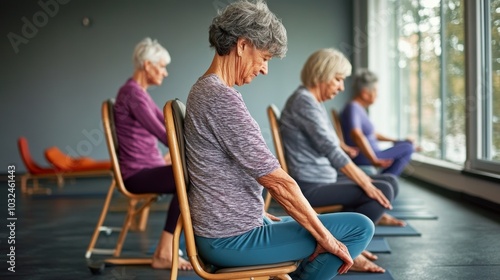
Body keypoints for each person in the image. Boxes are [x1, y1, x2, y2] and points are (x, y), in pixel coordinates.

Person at [184, 1, 374, 278]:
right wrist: (326, 239)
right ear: (242, 45)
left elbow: (220, 173)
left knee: (324, 227)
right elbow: (277, 181)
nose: (264, 70)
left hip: (232, 228)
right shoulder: (219, 98)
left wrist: (259, 213)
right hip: (231, 239)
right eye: (265, 58)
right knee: (359, 227)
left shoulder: (206, 91)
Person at [279, 48, 405, 273]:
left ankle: (343, 240)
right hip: (310, 185)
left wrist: (362, 172)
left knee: (388, 184)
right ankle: (347, 250)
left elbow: (329, 144)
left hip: (323, 177)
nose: (342, 87)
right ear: (322, 75)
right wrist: (365, 182)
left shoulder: (312, 102)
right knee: (381, 189)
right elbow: (331, 151)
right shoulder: (304, 102)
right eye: (338, 80)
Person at [113, 37, 192, 270]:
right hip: (137, 175)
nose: (165, 73)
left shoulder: (138, 93)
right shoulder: (132, 94)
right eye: (162, 66)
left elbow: (168, 124)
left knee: (188, 174)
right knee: (187, 179)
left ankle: (170, 248)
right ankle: (164, 252)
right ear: (147, 65)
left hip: (146, 167)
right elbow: (164, 135)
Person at [341, 68, 418, 176]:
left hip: (372, 154)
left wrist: (397, 140)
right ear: (365, 93)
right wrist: (373, 159)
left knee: (406, 144)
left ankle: (386, 179)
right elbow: (356, 134)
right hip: (366, 157)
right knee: (408, 148)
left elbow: (372, 134)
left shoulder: (357, 108)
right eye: (375, 90)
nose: (378, 95)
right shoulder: (353, 107)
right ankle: (387, 178)